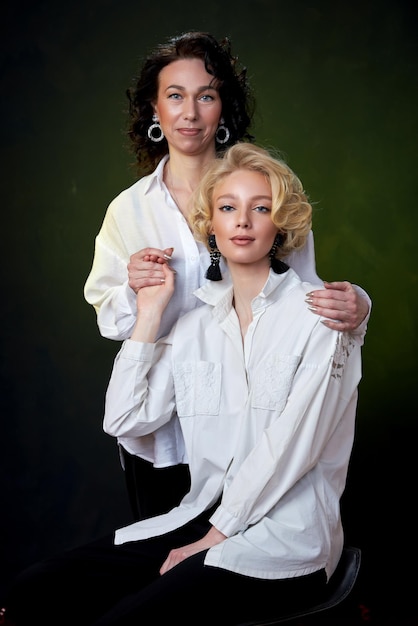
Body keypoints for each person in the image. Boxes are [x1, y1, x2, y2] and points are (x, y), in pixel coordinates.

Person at [1, 142, 365, 626]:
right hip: (200, 514)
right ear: (209, 224)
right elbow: (125, 419)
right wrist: (149, 312)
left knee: (125, 622)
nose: (243, 221)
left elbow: (290, 449)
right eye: (228, 208)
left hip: (286, 533)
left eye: (261, 209)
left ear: (281, 223)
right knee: (35, 591)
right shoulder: (195, 327)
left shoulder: (318, 317)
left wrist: (212, 539)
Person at [83, 31, 370, 522]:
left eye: (206, 96)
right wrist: (138, 292)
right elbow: (112, 322)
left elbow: (303, 296)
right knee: (165, 564)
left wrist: (358, 305)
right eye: (175, 96)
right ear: (154, 109)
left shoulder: (264, 190)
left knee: (236, 559)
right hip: (161, 422)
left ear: (223, 109)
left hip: (256, 421)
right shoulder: (128, 211)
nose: (189, 113)